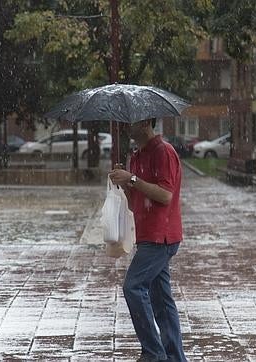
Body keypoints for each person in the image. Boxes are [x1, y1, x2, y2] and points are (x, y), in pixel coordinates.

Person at [109, 118, 186, 362]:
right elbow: (136, 202)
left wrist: (132, 179)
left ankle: (154, 353)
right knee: (161, 300)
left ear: (144, 123)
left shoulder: (164, 152)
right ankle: (174, 356)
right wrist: (125, 184)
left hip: (161, 236)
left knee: (133, 287)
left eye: (130, 123)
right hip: (147, 235)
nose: (125, 128)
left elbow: (164, 195)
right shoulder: (137, 156)